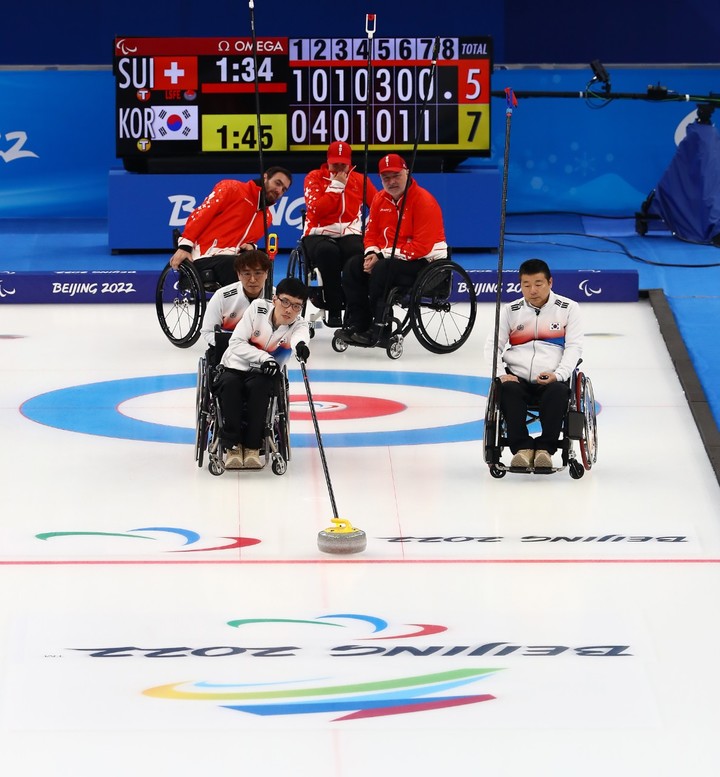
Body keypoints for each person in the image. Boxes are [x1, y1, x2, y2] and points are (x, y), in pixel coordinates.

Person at [486, 258, 584, 470]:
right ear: (520, 285)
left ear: (550, 282)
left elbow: (574, 347)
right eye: (526, 285)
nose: (532, 290)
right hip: (517, 376)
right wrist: (501, 373)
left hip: (551, 376)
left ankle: (545, 451)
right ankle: (522, 449)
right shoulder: (510, 311)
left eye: (538, 284)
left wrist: (559, 374)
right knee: (507, 390)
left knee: (558, 392)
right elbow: (492, 346)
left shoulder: (569, 308)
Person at [340, 153, 448, 345]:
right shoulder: (379, 199)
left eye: (396, 175)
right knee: (353, 266)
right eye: (385, 178)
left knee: (382, 270)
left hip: (426, 262)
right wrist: (371, 253)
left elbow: (422, 247)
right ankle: (360, 323)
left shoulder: (424, 201)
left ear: (407, 172)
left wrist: (381, 256)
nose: (391, 182)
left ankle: (381, 328)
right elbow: (370, 234)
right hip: (391, 258)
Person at [215, 276, 310, 470]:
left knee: (260, 388)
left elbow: (301, 336)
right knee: (231, 385)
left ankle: (252, 446)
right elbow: (236, 342)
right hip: (235, 365)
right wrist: (264, 358)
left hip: (265, 374)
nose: (289, 309)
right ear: (275, 299)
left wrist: (301, 346)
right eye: (285, 302)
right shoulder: (258, 309)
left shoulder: (298, 325)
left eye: (296, 306)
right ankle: (232, 445)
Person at [169, 167, 292, 288]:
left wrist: (250, 246)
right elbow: (201, 216)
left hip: (232, 259)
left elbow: (249, 240)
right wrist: (185, 246)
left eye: (284, 189)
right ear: (265, 177)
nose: (279, 190)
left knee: (262, 265)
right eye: (277, 183)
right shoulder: (231, 188)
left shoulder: (267, 216)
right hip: (204, 256)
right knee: (238, 266)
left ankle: (257, 306)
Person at [302, 141, 378, 328]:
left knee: (357, 252)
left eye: (343, 165)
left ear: (349, 163)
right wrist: (336, 186)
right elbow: (317, 211)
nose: (338, 168)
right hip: (317, 233)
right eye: (334, 164)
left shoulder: (361, 180)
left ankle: (355, 310)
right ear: (327, 161)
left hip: (348, 232)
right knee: (328, 252)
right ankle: (334, 308)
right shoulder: (314, 178)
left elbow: (377, 206)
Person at [200, 249, 272, 346]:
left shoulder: (276, 298)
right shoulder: (222, 296)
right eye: (247, 274)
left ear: (266, 273)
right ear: (238, 274)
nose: (253, 279)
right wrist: (234, 346)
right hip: (228, 349)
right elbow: (207, 331)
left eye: (258, 273)